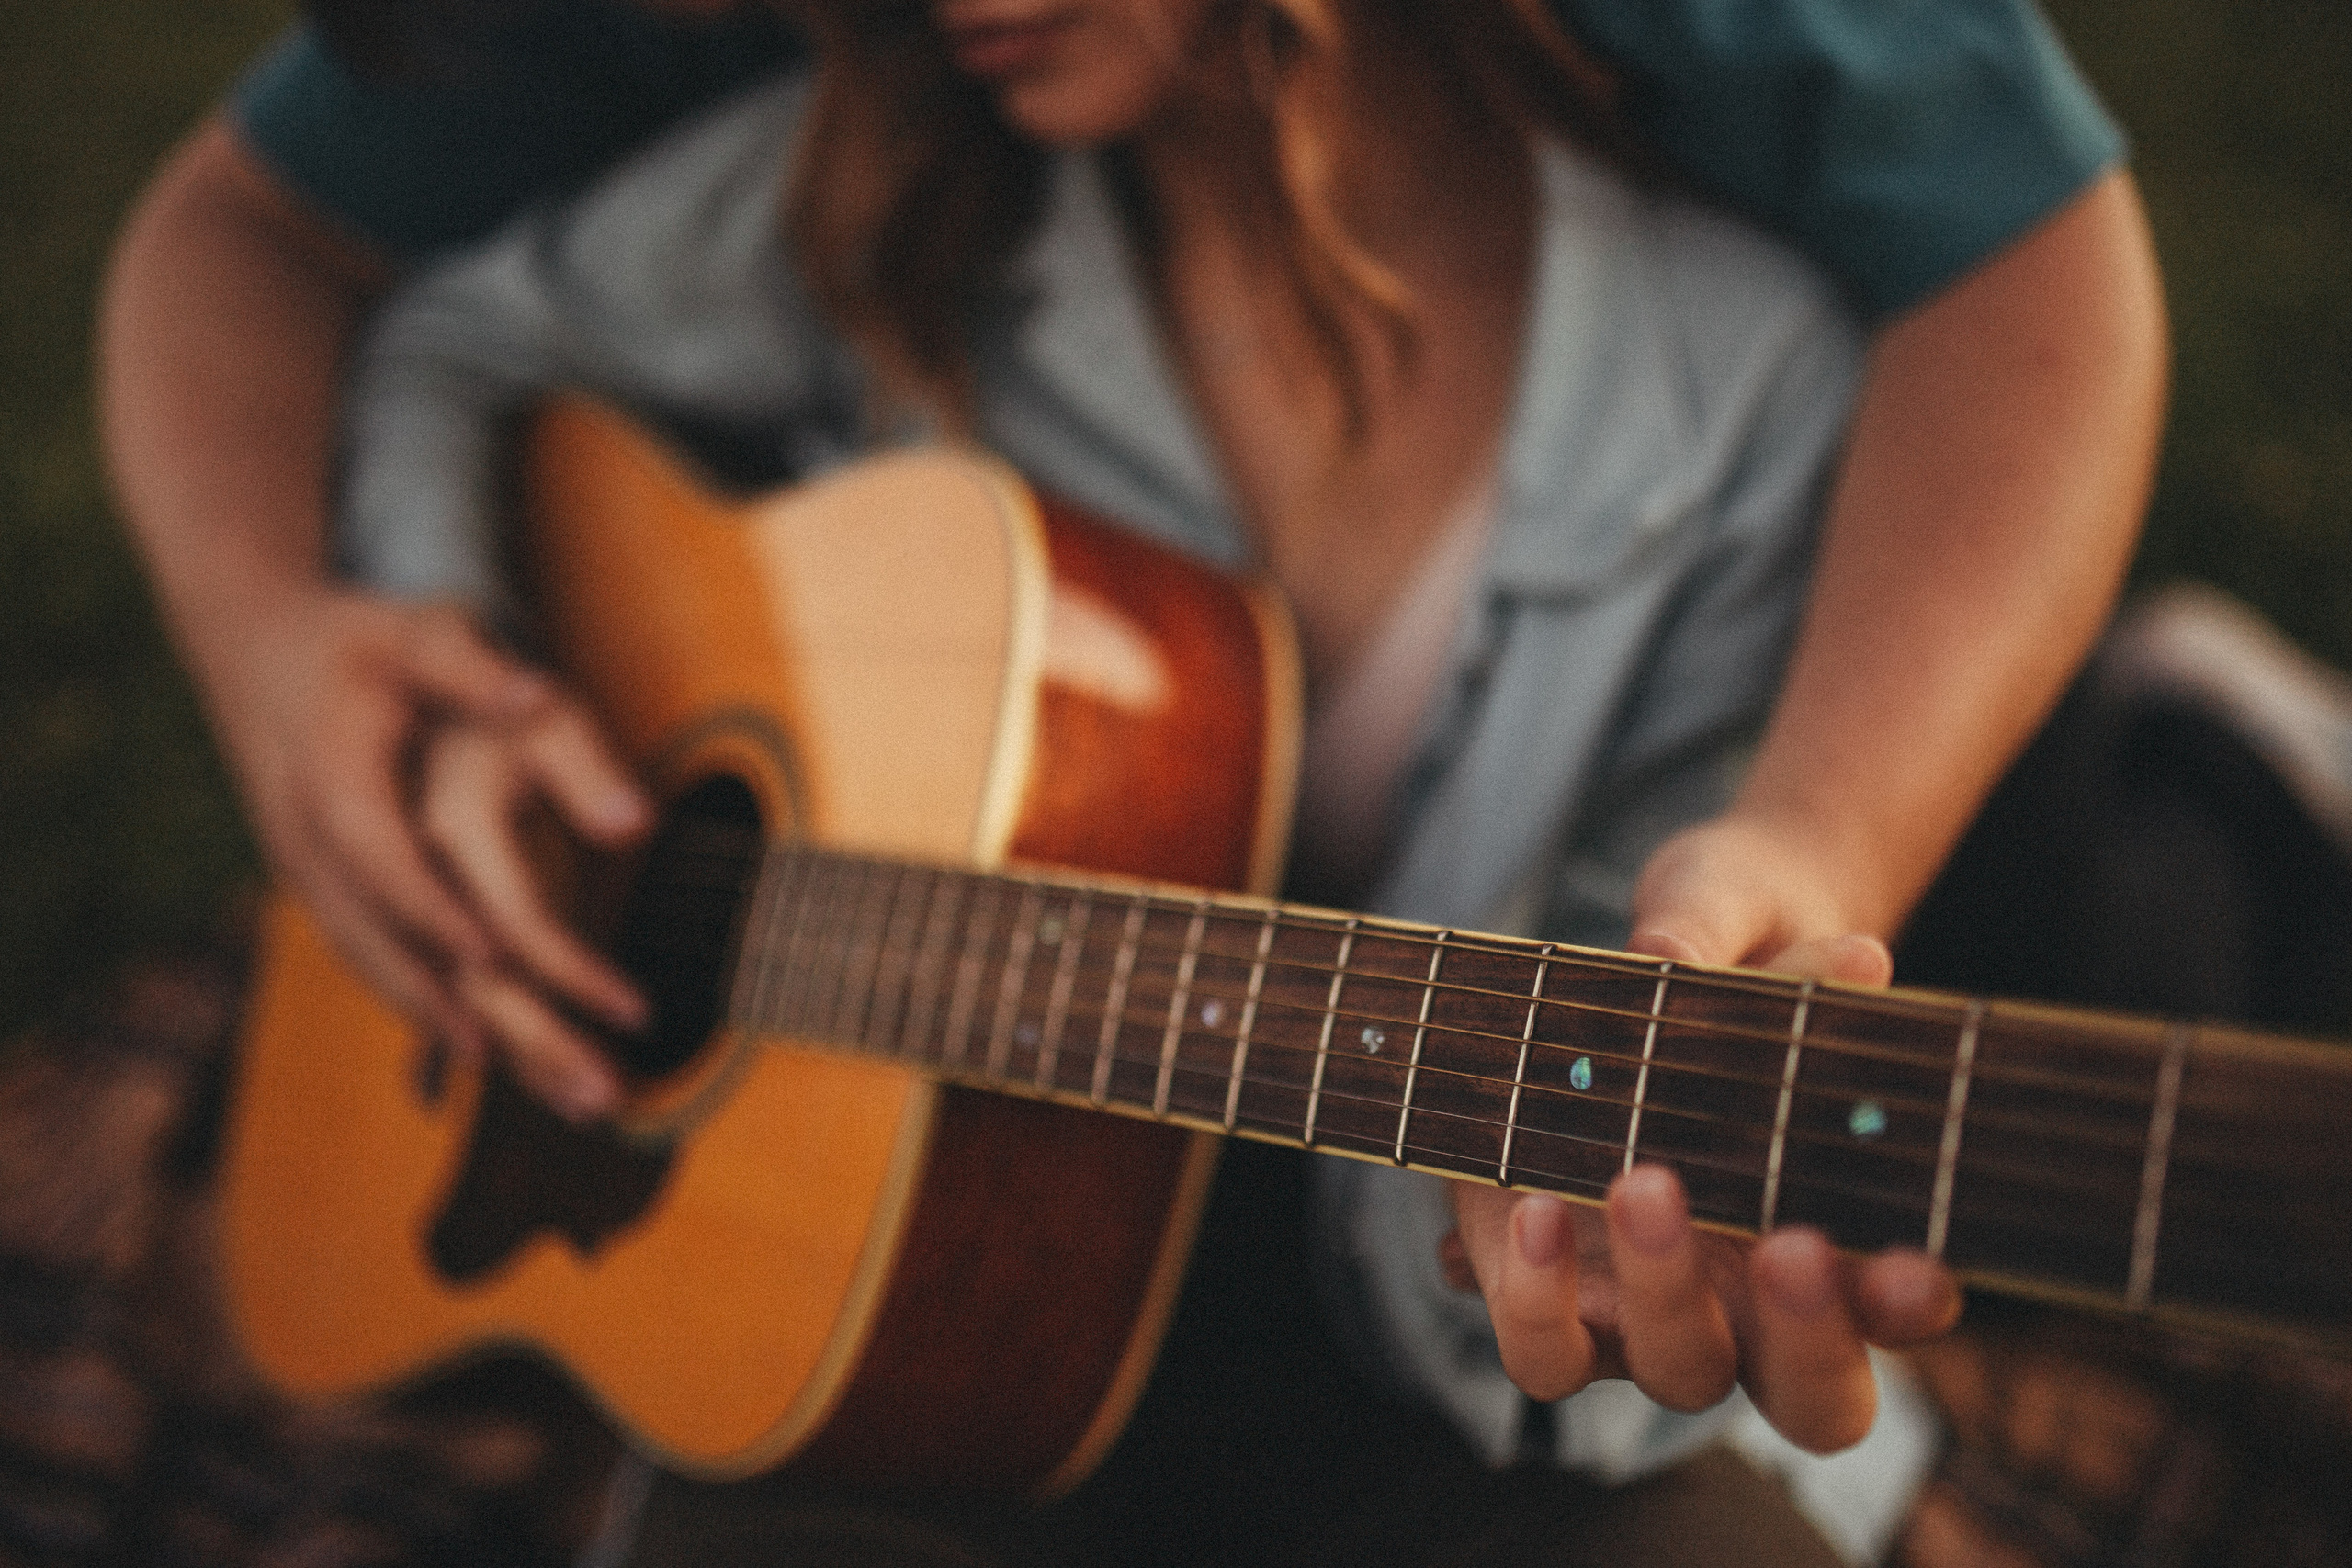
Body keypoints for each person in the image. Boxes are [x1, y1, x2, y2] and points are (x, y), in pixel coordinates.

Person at [98, 0, 2166, 1561]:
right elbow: (445, 335)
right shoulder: (893, 189)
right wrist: (442, 661)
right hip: (911, 1321)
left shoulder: (1754, 394)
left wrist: (1604, 1287)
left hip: (1420, 1389)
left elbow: (1601, 1191)